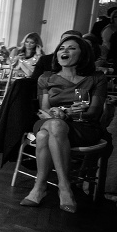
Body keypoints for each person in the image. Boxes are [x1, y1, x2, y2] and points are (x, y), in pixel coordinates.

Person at [19, 35, 107, 214]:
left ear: (83, 54)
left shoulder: (96, 78)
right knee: (53, 126)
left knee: (44, 135)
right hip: (49, 121)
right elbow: (44, 109)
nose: (64, 51)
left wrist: (67, 114)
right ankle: (64, 187)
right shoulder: (46, 78)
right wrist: (56, 114)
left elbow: (94, 112)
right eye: (61, 48)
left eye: (71, 48)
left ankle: (40, 187)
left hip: (83, 125)